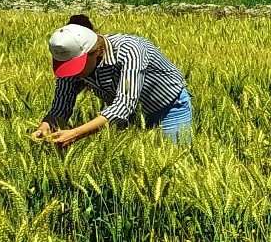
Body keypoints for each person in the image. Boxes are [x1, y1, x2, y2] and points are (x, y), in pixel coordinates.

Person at [31, 14, 192, 146]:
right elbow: (61, 107)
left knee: (173, 160)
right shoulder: (72, 61)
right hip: (127, 115)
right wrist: (45, 126)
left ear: (95, 52)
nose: (74, 74)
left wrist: (75, 133)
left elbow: (124, 104)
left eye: (76, 67)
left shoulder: (130, 50)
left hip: (167, 107)